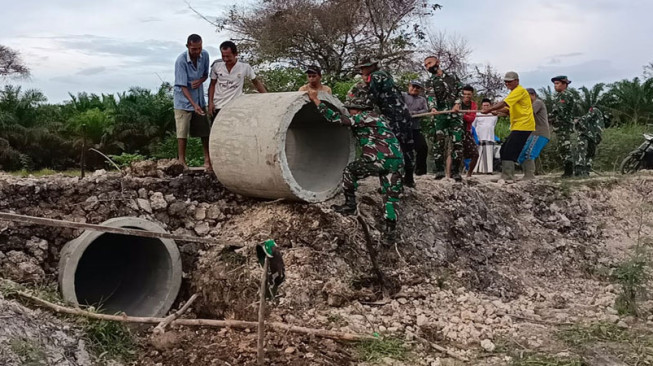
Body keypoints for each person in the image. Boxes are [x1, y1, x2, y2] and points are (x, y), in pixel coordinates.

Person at [308, 85, 403, 241]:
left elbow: (337, 119)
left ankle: (350, 205)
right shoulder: (378, 117)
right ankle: (390, 234)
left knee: (350, 171)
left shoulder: (363, 117)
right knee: (390, 197)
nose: (349, 111)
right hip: (397, 160)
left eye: (351, 109)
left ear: (358, 110)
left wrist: (316, 100)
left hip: (379, 159)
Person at [357, 57, 415, 187]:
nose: (362, 71)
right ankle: (409, 178)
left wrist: (360, 112)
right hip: (403, 115)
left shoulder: (376, 76)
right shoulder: (386, 75)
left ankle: (394, 184)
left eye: (364, 67)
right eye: (361, 68)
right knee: (406, 146)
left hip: (392, 116)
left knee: (393, 148)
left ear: (371, 66)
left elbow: (371, 97)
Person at [481, 71, 535, 181]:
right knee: (504, 149)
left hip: (524, 125)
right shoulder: (513, 93)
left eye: (509, 81)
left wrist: (490, 109)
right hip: (518, 126)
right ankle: (507, 175)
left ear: (517, 81)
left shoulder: (519, 91)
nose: (507, 84)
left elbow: (505, 103)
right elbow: (508, 109)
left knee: (509, 150)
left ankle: (509, 176)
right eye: (506, 82)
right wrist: (497, 112)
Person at [173, 34, 211, 170]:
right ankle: (182, 161)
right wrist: (193, 105)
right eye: (194, 49)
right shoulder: (181, 61)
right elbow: (182, 86)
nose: (197, 51)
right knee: (182, 132)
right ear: (188, 46)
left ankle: (208, 159)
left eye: (199, 48)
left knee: (204, 130)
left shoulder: (205, 55)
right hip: (183, 101)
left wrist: (199, 81)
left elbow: (206, 74)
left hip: (199, 98)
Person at [423, 55, 464, 181]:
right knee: (439, 143)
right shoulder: (429, 82)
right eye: (426, 65)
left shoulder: (452, 76)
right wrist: (433, 108)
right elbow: (431, 96)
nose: (428, 66)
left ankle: (455, 171)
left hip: (455, 115)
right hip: (440, 115)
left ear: (438, 62)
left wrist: (457, 103)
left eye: (429, 63)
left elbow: (460, 90)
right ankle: (439, 170)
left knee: (457, 142)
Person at [208, 41, 266, 120]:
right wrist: (210, 102)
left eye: (228, 56)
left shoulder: (244, 66)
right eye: (223, 56)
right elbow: (212, 84)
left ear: (235, 54)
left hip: (235, 105)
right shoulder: (216, 65)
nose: (225, 59)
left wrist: (267, 97)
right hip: (218, 104)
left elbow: (256, 82)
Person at [517, 88, 551, 179]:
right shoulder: (528, 105)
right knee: (522, 154)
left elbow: (527, 113)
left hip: (540, 133)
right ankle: (528, 174)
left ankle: (529, 175)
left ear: (533, 95)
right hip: (533, 134)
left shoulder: (537, 103)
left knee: (529, 153)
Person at [549, 75, 576, 177]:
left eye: (557, 83)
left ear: (565, 84)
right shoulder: (560, 96)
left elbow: (559, 111)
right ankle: (568, 171)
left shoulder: (565, 95)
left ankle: (569, 172)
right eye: (554, 84)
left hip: (564, 126)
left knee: (565, 147)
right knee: (562, 148)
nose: (555, 86)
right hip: (560, 126)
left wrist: (548, 117)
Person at [401, 80, 429, 175]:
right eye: (413, 86)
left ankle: (420, 171)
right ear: (409, 86)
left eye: (417, 88)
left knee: (423, 148)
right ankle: (402, 171)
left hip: (415, 127)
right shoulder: (402, 95)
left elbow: (425, 110)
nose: (415, 89)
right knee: (403, 149)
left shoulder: (422, 100)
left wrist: (414, 113)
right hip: (403, 127)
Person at [575, 106, 606, 177]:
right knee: (591, 154)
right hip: (595, 136)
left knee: (581, 151)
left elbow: (587, 117)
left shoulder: (594, 109)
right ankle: (586, 171)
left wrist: (578, 121)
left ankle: (580, 171)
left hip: (587, 134)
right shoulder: (601, 117)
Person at [472, 99, 498, 173]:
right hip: (479, 137)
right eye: (484, 105)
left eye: (487, 105)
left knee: (488, 154)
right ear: (481, 106)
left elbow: (494, 124)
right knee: (478, 153)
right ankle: (475, 170)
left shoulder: (494, 115)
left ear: (490, 106)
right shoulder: (477, 114)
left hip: (489, 137)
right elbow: (474, 125)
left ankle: (488, 170)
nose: (485, 107)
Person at [461, 85, 480, 177]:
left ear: (472, 94)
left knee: (475, 154)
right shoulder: (457, 103)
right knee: (455, 154)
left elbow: (471, 119)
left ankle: (469, 174)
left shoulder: (473, 105)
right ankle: (452, 173)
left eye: (469, 94)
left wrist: (462, 115)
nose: (467, 96)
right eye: (465, 94)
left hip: (467, 131)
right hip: (455, 131)